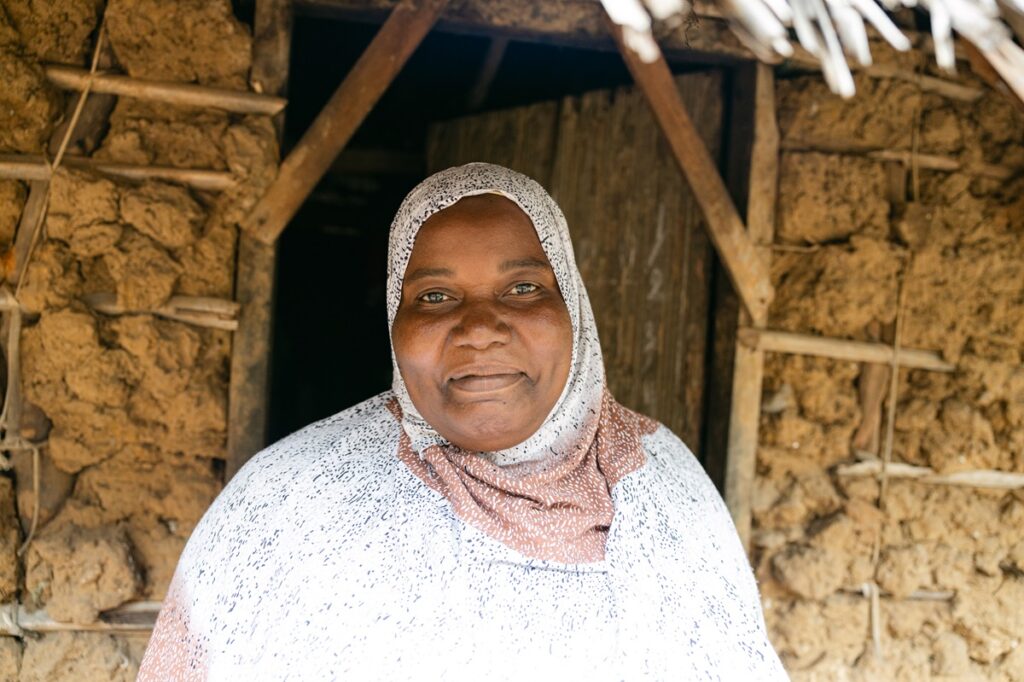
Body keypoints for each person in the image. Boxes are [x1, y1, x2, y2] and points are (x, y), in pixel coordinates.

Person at [138, 163, 787, 681]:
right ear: (394, 317)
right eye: (436, 296)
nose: (479, 328)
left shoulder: (662, 483)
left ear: (574, 305)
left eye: (523, 287)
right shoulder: (290, 504)